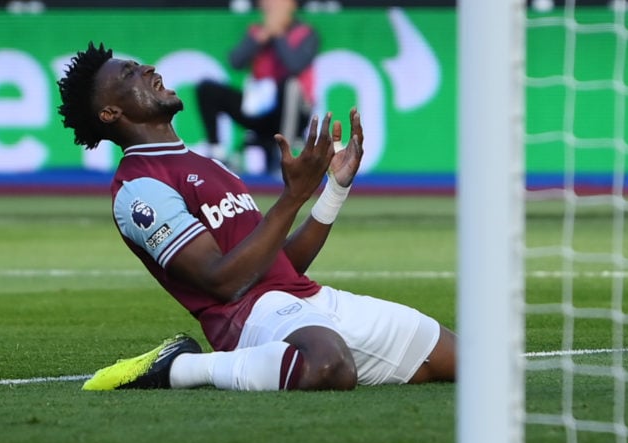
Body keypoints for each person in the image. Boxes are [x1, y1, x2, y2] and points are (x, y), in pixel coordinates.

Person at [56, 41, 456, 391]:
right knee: (327, 367)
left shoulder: (207, 164)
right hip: (249, 320)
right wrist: (293, 196)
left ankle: (293, 359)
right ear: (110, 112)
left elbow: (277, 263)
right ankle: (179, 367)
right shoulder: (139, 188)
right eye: (130, 73)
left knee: (475, 364)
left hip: (309, 300)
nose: (148, 69)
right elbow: (222, 280)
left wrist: (333, 189)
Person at [195, 0, 317, 170]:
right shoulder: (256, 32)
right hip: (260, 105)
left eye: (279, 0)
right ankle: (216, 151)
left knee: (290, 85)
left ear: (291, 4)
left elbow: (295, 66)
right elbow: (235, 61)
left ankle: (286, 149)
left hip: (293, 109)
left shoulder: (306, 33)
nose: (274, 6)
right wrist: (259, 38)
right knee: (208, 88)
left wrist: (278, 35)